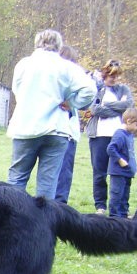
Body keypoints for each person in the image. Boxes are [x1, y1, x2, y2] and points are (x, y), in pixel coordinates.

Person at [6, 29, 96, 199]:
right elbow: (90, 89)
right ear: (59, 45)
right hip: (56, 129)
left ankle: (12, 219)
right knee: (48, 184)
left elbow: (17, 90)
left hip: (25, 127)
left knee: (17, 179)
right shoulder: (66, 66)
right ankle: (44, 223)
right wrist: (72, 103)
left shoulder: (24, 64)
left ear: (36, 43)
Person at [85, 59, 134, 214]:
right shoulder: (98, 90)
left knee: (119, 172)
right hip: (99, 136)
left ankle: (119, 207)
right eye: (112, 76)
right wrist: (116, 107)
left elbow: (128, 106)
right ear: (105, 75)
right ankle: (100, 205)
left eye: (117, 76)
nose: (115, 79)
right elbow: (94, 109)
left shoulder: (123, 89)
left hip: (118, 136)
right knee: (99, 171)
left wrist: (106, 106)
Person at [55, 45, 84, 204]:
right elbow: (88, 95)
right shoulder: (71, 75)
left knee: (57, 173)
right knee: (62, 174)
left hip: (63, 130)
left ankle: (57, 207)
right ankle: (59, 207)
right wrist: (73, 102)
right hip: (64, 131)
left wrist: (71, 103)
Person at [106, 108, 137, 219]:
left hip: (128, 173)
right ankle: (114, 217)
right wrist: (120, 160)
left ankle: (123, 216)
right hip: (118, 172)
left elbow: (130, 153)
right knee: (117, 195)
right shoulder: (120, 134)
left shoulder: (129, 135)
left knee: (125, 196)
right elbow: (111, 148)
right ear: (128, 121)